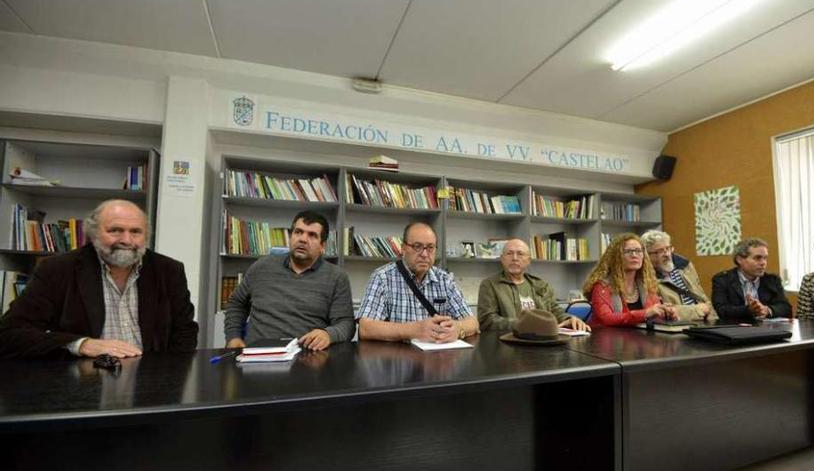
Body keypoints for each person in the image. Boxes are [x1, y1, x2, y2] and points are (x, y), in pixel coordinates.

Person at [0, 199, 198, 359]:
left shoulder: (169, 271)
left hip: (151, 384)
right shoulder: (58, 269)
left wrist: (169, 380)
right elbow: (10, 334)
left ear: (146, 236)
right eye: (115, 230)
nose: (126, 240)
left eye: (136, 232)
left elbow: (185, 333)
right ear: (93, 233)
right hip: (80, 385)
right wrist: (82, 344)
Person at [224, 211, 354, 351]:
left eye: (312, 235)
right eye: (298, 232)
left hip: (307, 357)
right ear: (290, 237)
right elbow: (236, 304)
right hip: (258, 354)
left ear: (322, 246)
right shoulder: (261, 267)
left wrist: (328, 334)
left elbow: (346, 323)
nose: (303, 239)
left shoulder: (336, 277)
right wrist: (233, 337)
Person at [357, 222, 479, 342]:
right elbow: (365, 328)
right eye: (417, 246)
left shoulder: (445, 280)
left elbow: (472, 322)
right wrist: (413, 330)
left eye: (430, 247)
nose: (425, 254)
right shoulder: (382, 278)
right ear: (403, 248)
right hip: (396, 358)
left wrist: (458, 328)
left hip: (436, 358)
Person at [478, 238, 589, 332]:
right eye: (509, 253)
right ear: (502, 259)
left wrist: (569, 319)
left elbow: (555, 311)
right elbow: (487, 320)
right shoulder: (490, 285)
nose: (515, 258)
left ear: (528, 261)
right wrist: (524, 325)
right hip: (507, 344)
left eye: (520, 254)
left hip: (542, 343)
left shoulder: (540, 285)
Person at [583, 232, 677, 327]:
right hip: (606, 337)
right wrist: (644, 313)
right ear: (616, 257)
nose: (634, 255)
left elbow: (653, 314)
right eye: (628, 251)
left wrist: (666, 314)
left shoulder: (646, 284)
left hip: (639, 338)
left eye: (638, 251)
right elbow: (607, 319)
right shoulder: (602, 286)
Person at [641, 230, 718, 321]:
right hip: (679, 326)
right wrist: (698, 310)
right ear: (646, 255)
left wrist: (714, 319)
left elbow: (701, 296)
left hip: (706, 321)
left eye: (668, 248)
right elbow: (665, 311)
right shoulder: (645, 277)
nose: (667, 254)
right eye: (659, 251)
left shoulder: (684, 265)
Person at [711, 238, 791, 321]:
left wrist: (766, 310)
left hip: (767, 330)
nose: (763, 263)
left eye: (765, 258)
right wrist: (749, 310)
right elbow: (721, 310)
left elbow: (786, 308)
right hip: (736, 331)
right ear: (739, 260)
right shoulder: (722, 280)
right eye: (757, 258)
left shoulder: (772, 280)